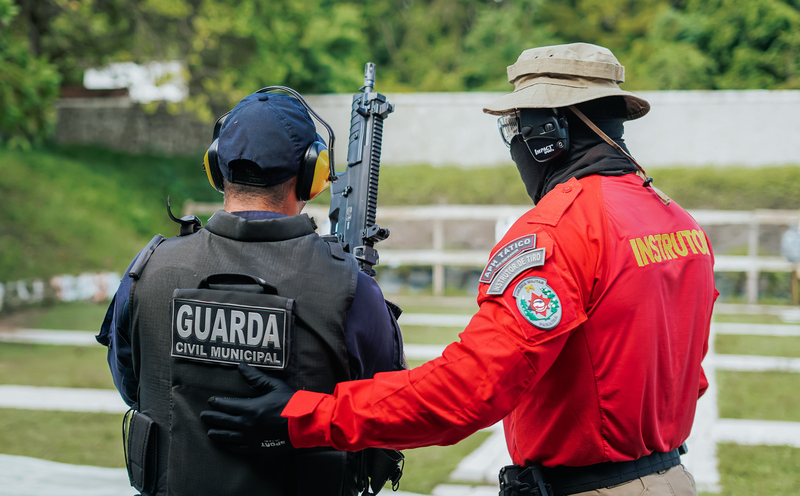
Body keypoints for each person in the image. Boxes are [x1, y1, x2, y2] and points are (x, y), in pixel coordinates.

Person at [200, 43, 717, 496]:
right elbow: (687, 380)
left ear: (547, 134)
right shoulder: (678, 222)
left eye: (514, 127)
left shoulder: (559, 232)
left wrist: (301, 417)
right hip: (670, 478)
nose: (513, 144)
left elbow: (468, 392)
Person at [97, 88, 405, 496]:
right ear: (313, 172)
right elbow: (387, 412)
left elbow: (133, 385)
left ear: (215, 166)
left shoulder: (149, 270)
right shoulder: (351, 290)